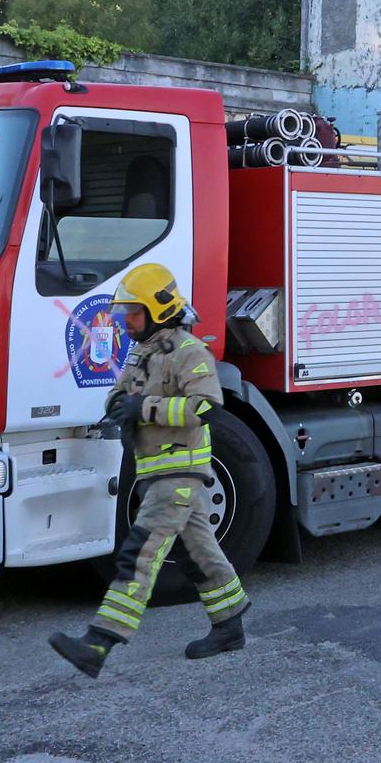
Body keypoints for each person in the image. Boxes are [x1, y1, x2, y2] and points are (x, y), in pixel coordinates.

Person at [50, 264, 251, 677]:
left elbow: (207, 407)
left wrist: (144, 409)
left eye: (134, 313)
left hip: (179, 473)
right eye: (125, 314)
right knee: (200, 552)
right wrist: (118, 406)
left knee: (139, 554)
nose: (126, 322)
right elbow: (118, 392)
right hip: (158, 472)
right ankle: (230, 624)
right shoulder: (143, 351)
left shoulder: (189, 351)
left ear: (160, 310)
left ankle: (98, 643)